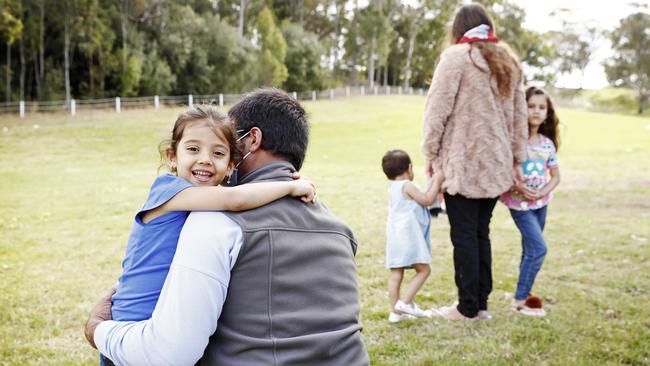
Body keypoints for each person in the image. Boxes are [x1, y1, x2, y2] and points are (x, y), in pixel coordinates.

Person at [85, 88, 370, 365]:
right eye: (194, 148)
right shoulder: (340, 230)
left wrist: (98, 329)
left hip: (136, 338)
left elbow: (170, 356)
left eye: (226, 149)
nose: (207, 160)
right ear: (173, 156)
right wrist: (289, 184)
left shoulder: (214, 222)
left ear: (251, 141)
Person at [421, 3, 528, 320]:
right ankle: (480, 305)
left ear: (458, 28)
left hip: (462, 161)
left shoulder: (456, 58)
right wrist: (517, 159)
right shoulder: (507, 60)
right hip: (497, 162)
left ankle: (467, 308)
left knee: (464, 235)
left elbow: (436, 110)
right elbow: (519, 116)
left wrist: (430, 152)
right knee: (481, 233)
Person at [501, 86, 561, 317]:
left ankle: (523, 292)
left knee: (529, 250)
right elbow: (503, 171)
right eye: (531, 106)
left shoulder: (546, 144)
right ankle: (519, 300)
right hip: (520, 206)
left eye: (541, 107)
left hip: (541, 204)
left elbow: (555, 176)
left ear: (547, 113)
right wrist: (516, 186)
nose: (536, 111)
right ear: (521, 108)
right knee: (539, 248)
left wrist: (542, 191)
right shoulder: (514, 141)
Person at [381, 149, 442, 323]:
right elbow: (427, 200)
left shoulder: (392, 186)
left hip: (395, 237)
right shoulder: (407, 185)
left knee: (396, 273)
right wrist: (437, 180)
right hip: (409, 236)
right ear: (409, 167)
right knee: (424, 270)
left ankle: (395, 313)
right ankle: (405, 303)